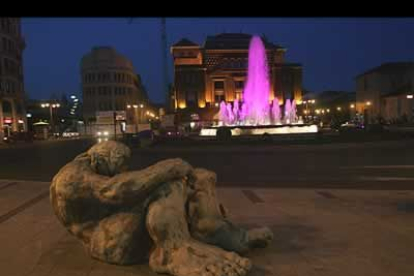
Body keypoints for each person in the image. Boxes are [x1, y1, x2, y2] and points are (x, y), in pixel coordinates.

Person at [50, 141, 272, 276]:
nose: (122, 170)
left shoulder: (90, 171)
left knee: (198, 178)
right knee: (168, 186)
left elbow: (121, 188)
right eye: (119, 166)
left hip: (117, 227)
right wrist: (167, 168)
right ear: (103, 157)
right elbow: (113, 190)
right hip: (109, 242)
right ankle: (174, 251)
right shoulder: (70, 177)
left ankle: (218, 231)